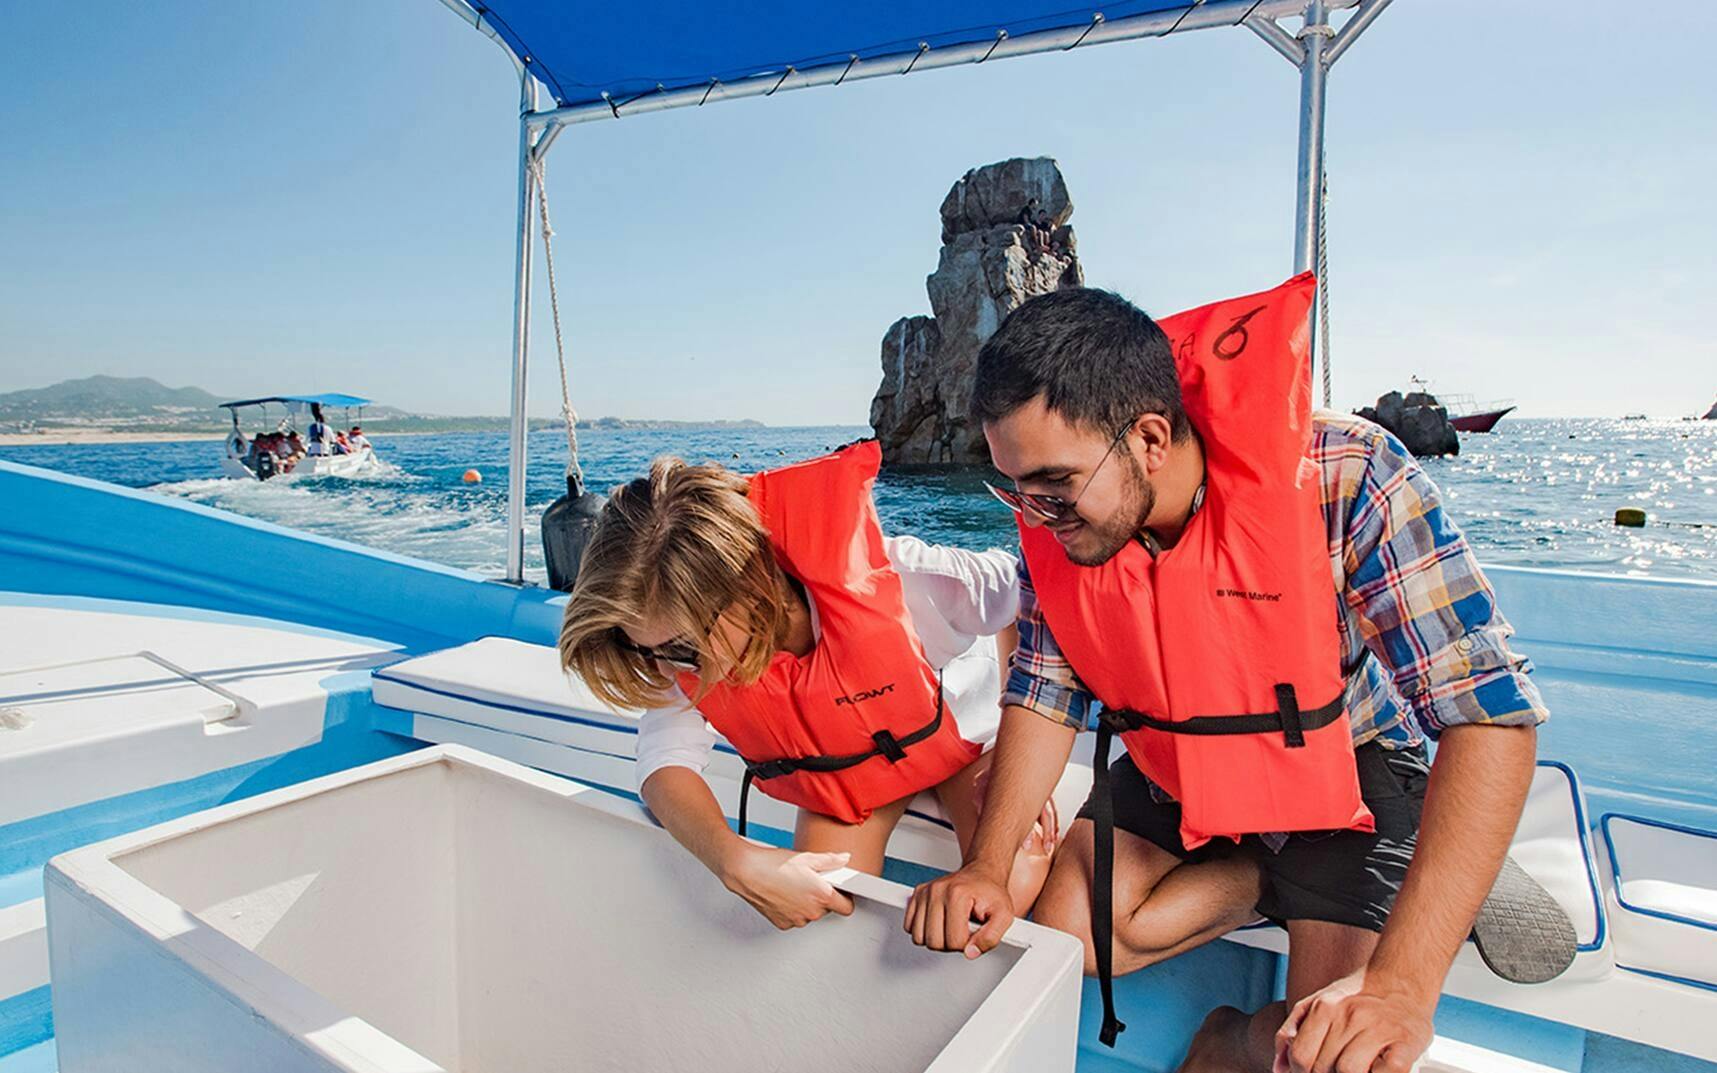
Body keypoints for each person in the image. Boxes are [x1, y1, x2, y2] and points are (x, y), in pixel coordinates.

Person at [905, 279, 1553, 1073]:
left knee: (1327, 1055)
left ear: (1147, 437)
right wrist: (987, 865)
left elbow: (1486, 714)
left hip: (1343, 775)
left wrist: (1401, 984)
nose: (1035, 511)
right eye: (1016, 486)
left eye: (1054, 484)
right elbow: (1043, 689)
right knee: (1070, 937)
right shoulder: (1059, 528)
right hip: (1177, 766)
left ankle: (1352, 913)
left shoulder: (1347, 473)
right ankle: (1258, 879)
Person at [561, 441, 1058, 932]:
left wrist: (1012, 727)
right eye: (643, 650)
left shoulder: (907, 579)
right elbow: (662, 763)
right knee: (825, 905)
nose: (669, 669)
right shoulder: (675, 645)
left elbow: (1028, 585)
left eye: (681, 649)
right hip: (854, 780)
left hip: (966, 748)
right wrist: (734, 860)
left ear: (749, 588)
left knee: (1004, 891)